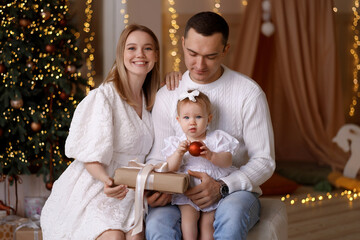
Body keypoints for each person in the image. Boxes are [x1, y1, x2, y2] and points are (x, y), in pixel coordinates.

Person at [145, 11, 275, 240]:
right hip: (180, 194)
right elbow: (157, 157)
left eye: (211, 56)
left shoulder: (248, 93)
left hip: (235, 193)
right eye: (192, 53)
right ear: (183, 44)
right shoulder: (168, 94)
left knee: (232, 215)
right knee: (156, 224)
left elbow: (264, 161)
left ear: (226, 50)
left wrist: (223, 186)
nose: (199, 65)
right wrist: (158, 186)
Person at [40, 24, 161, 240]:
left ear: (156, 55)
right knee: (114, 237)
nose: (140, 55)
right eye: (132, 48)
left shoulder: (154, 101)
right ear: (121, 54)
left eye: (148, 48)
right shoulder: (104, 97)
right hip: (98, 186)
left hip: (132, 191)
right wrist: (107, 180)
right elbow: (90, 157)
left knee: (137, 237)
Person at [163, 89, 239, 239]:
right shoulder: (177, 143)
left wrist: (212, 155)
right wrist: (179, 153)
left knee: (208, 224)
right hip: (187, 191)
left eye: (198, 117)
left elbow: (227, 160)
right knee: (188, 222)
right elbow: (169, 168)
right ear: (178, 120)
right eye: (186, 117)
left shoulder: (216, 138)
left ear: (209, 119)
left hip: (212, 192)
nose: (192, 122)